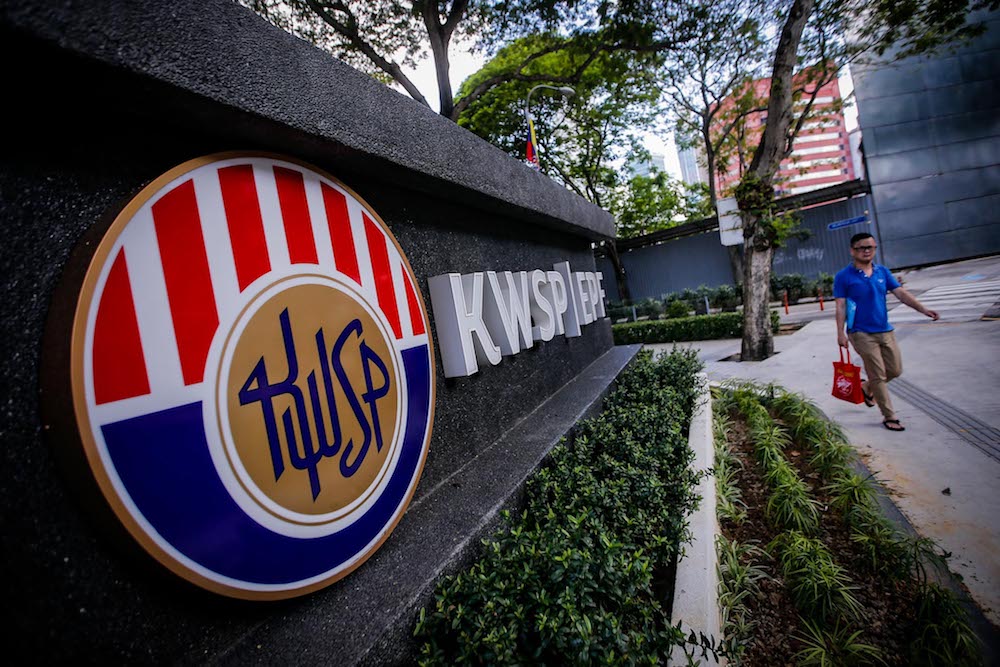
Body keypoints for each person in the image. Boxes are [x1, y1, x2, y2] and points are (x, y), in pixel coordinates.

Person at [833, 232, 939, 431]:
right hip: (860, 332)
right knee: (878, 374)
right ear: (852, 251)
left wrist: (923, 309)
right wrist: (840, 333)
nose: (866, 251)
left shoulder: (882, 272)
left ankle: (866, 388)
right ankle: (889, 416)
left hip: (884, 329)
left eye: (870, 247)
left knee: (895, 370)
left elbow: (901, 294)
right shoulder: (843, 277)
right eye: (861, 248)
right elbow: (840, 306)